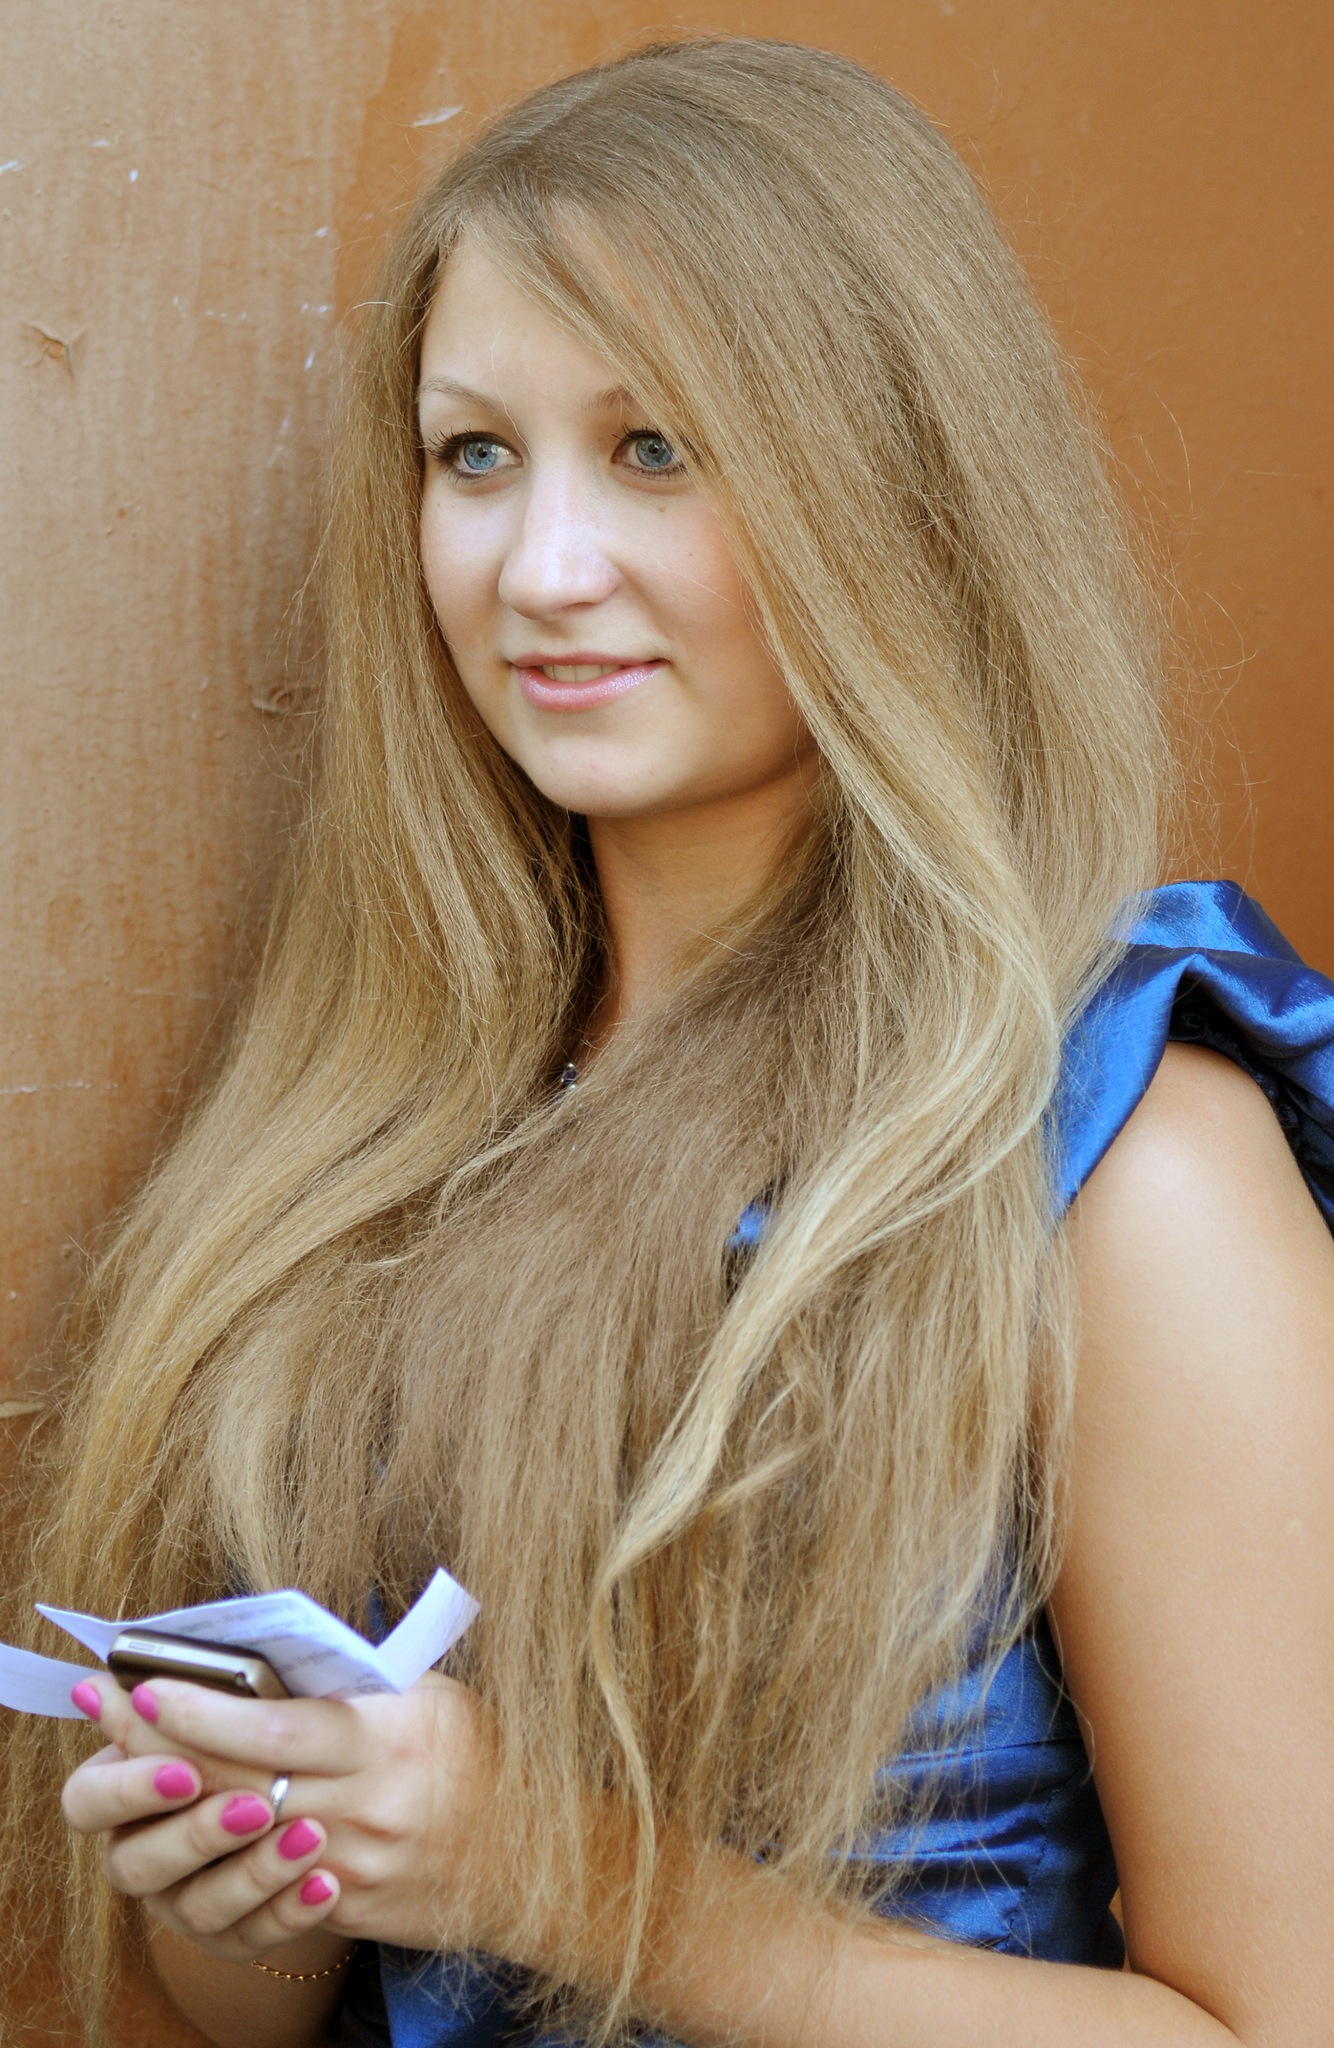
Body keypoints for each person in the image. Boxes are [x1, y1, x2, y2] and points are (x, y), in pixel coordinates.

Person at [6, 34, 1333, 2048]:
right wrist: (253, 1860)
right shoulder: (387, 1126)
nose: (542, 570)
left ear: (900, 490)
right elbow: (269, 2008)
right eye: (476, 456)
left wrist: (553, 1874)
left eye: (657, 448)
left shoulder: (1116, 1148)